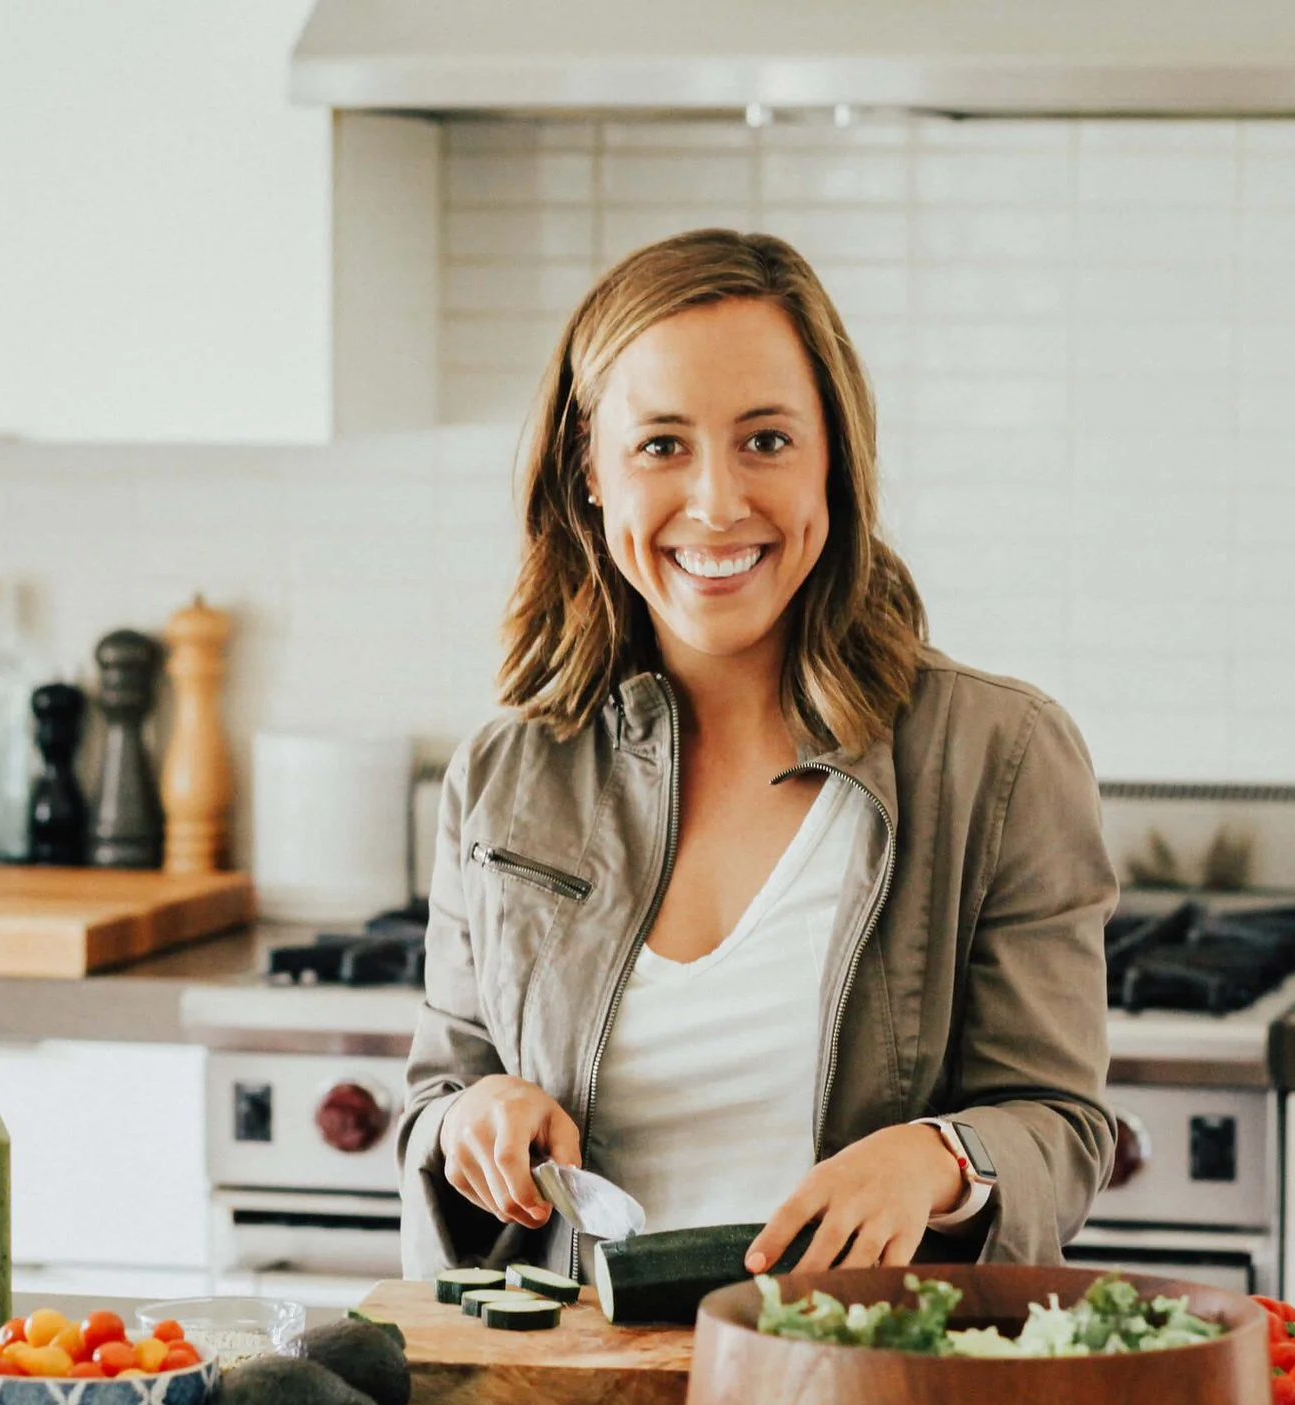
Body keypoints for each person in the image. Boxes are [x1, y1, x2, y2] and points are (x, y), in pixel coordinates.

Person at [399, 229, 1116, 1282]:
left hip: (872, 1401)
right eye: (661, 444)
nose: (718, 502)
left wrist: (938, 1157)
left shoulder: (997, 756)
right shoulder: (506, 776)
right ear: (588, 470)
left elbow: (1062, 1128)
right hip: (577, 1400)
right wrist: (474, 1115)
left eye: (766, 440)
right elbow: (434, 1099)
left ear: (835, 455)